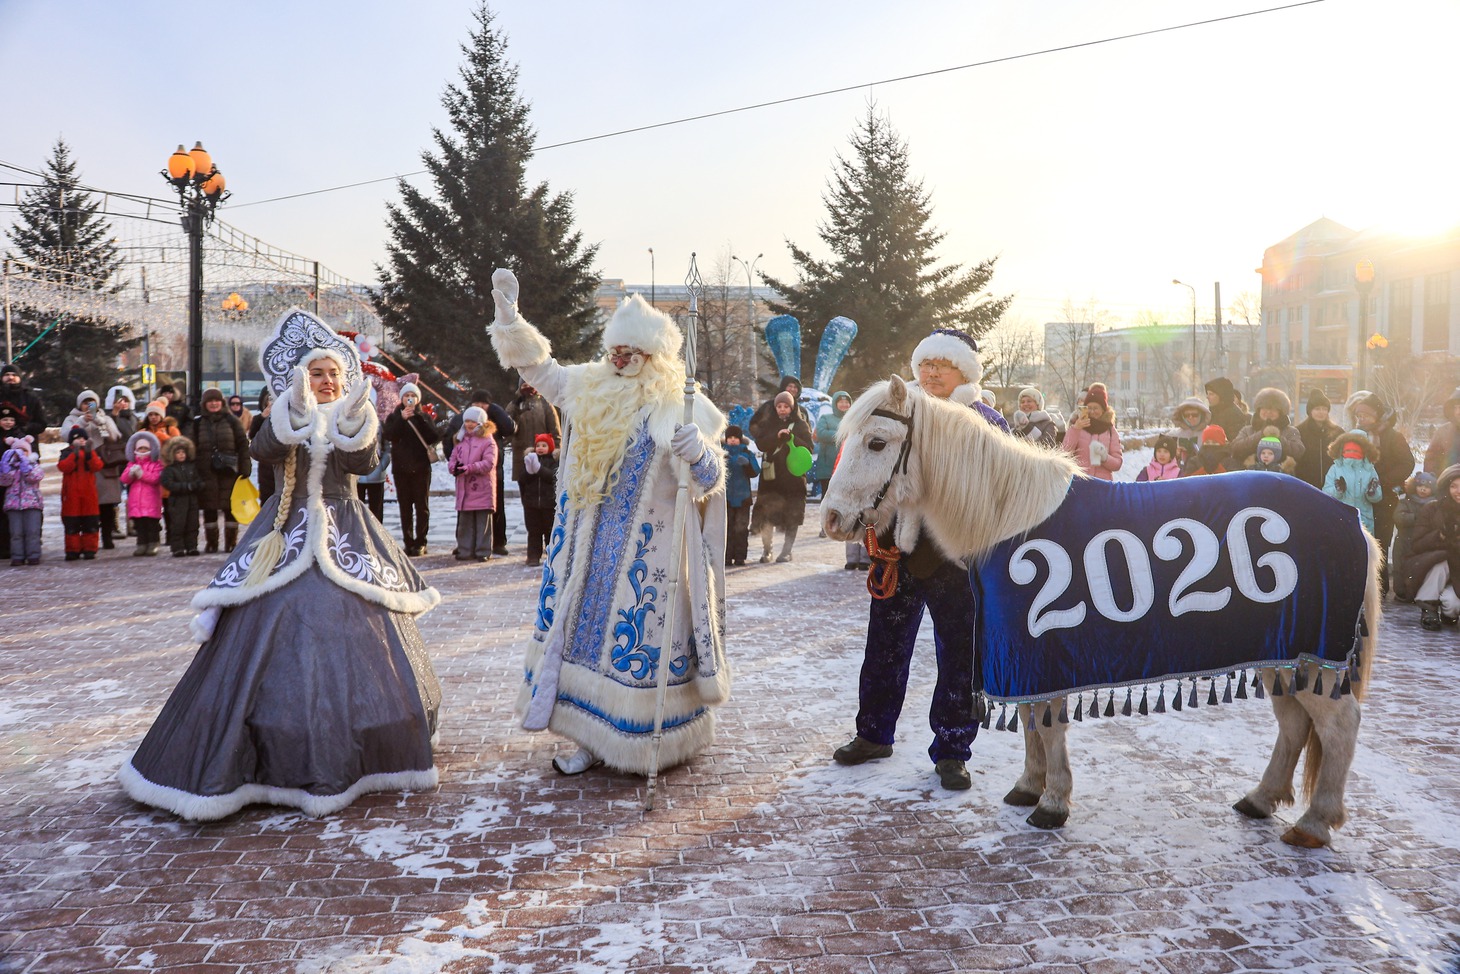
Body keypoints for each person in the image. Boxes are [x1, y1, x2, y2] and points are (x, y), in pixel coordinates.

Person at [118, 308, 442, 820]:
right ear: (299, 376)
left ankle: (360, 742)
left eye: (335, 372)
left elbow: (363, 463)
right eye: (318, 372)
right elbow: (264, 449)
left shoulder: (354, 414)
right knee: (276, 617)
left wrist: (356, 421)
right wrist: (292, 410)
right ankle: (268, 746)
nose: (328, 380)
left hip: (346, 534)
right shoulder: (283, 414)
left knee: (355, 621)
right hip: (284, 533)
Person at [487, 268, 729, 777]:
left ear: (653, 357)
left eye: (632, 354)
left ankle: (648, 743)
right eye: (615, 351)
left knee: (635, 646)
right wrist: (509, 320)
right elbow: (543, 371)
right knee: (579, 644)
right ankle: (588, 740)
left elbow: (706, 482)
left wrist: (699, 451)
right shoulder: (587, 386)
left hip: (647, 558)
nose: (620, 361)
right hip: (584, 550)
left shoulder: (677, 404)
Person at [833, 327, 1007, 792]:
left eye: (942, 365)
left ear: (963, 372)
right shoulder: (894, 407)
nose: (931, 373)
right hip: (895, 553)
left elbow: (999, 491)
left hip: (955, 559)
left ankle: (952, 750)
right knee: (884, 648)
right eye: (926, 364)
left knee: (959, 657)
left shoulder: (984, 420)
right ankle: (873, 733)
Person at [1345, 390, 1415, 593]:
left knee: (1380, 542)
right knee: (1359, 539)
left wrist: (1381, 481)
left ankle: (1379, 585)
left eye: (1365, 415)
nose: (1361, 419)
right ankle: (1358, 582)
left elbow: (1406, 463)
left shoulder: (1393, 437)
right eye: (1359, 415)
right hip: (1358, 498)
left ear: (1376, 415)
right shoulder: (1357, 436)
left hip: (1384, 499)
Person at [444, 389, 516, 555]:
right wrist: (454, 464)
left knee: (494, 508)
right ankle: (465, 545)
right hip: (464, 475)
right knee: (465, 511)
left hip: (491, 473)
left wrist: (495, 409)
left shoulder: (493, 419)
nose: (480, 406)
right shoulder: (463, 420)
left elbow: (509, 428)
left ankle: (497, 542)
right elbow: (450, 441)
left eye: (484, 403)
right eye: (477, 403)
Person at [749, 390, 813, 562]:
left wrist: (792, 438)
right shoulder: (768, 424)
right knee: (767, 515)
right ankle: (766, 550)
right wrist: (776, 437)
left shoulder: (800, 425)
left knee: (792, 514)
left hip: (793, 478)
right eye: (779, 406)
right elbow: (761, 444)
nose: (782, 409)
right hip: (772, 479)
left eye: (786, 406)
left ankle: (787, 550)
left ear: (792, 407)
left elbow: (809, 448)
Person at [382, 382, 440, 556]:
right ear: (401, 398)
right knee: (405, 507)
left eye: (413, 396)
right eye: (407, 396)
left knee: (422, 506)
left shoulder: (424, 417)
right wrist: (402, 419)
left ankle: (421, 542)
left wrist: (420, 417)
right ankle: (408, 542)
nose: (409, 399)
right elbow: (390, 435)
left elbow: (433, 436)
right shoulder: (394, 417)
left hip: (421, 468)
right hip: (401, 469)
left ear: (417, 399)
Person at [192, 388, 252, 554]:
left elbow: (243, 446)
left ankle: (231, 543)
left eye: (216, 400)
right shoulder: (197, 424)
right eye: (210, 401)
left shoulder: (232, 422)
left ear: (222, 402)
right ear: (204, 404)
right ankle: (211, 543)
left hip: (229, 473)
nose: (213, 403)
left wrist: (245, 468)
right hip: (206, 472)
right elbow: (192, 448)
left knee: (230, 508)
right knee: (209, 508)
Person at [1403, 463, 1460, 631]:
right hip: (1432, 564)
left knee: (1452, 605)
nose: (1458, 491)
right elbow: (1417, 544)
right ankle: (1428, 607)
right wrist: (1440, 536)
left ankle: (1449, 614)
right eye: (1454, 486)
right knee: (1441, 562)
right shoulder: (1432, 509)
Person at [508, 379, 561, 532]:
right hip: (522, 461)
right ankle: (533, 538)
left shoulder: (545, 404)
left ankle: (549, 537)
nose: (527, 387)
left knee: (548, 502)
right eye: (523, 384)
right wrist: (516, 410)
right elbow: (508, 429)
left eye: (530, 383)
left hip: (546, 462)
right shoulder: (514, 405)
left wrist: (556, 454)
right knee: (528, 502)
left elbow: (556, 433)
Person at [449, 405, 497, 562]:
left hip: (482, 488)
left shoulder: (488, 441)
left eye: (473, 421)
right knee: (465, 522)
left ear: (481, 423)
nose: (469, 424)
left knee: (483, 522)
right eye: (467, 421)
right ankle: (465, 550)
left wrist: (469, 468)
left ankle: (483, 550)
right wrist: (453, 468)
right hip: (464, 488)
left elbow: (489, 463)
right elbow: (453, 458)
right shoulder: (460, 439)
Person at [1229, 388, 1304, 472]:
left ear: (1281, 412)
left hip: (1281, 477)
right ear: (1259, 410)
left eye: (1273, 409)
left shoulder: (1291, 431)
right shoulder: (1247, 430)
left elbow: (1299, 451)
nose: (1268, 412)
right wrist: (1260, 435)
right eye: (1264, 408)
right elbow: (1235, 449)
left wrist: (1277, 437)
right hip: (1251, 477)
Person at [58, 426, 104, 560]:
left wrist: (89, 453)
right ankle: (72, 550)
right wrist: (75, 454)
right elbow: (64, 467)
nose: (81, 441)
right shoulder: (67, 453)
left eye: (83, 438)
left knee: (90, 523)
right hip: (71, 495)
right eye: (78, 438)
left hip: (89, 495)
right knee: (72, 524)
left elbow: (97, 466)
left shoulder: (90, 452)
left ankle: (90, 549)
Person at [1323, 429, 1382, 533]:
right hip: (1340, 516)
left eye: (1356, 451)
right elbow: (1325, 493)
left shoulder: (1369, 470)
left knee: (1363, 546)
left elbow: (1378, 497)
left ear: (1363, 452)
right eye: (1348, 450)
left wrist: (1372, 493)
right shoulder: (1336, 469)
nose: (1351, 454)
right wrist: (1337, 490)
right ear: (1342, 451)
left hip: (1363, 519)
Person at [1062, 382, 1123, 480]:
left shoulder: (1110, 431)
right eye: (1089, 408)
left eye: (1096, 408)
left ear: (1103, 410)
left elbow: (1117, 464)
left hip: (1103, 486)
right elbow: (1065, 453)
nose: (1092, 411)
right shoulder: (1077, 426)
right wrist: (1075, 429)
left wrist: (1104, 457)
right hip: (1080, 483)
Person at [1393, 471, 1436, 603]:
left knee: (1420, 567)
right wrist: (1417, 518)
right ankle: (1401, 591)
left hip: (1423, 542)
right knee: (1400, 566)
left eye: (1427, 487)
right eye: (1420, 486)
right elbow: (1398, 517)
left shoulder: (1434, 505)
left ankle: (1417, 592)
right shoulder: (1406, 501)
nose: (1423, 489)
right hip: (1404, 540)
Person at [0, 434, 43, 565]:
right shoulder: (10, 466)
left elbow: (36, 477)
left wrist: (26, 468)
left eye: (24, 450)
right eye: (18, 450)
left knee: (32, 531)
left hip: (32, 503)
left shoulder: (33, 465)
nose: (21, 453)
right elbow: (4, 482)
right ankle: (17, 556)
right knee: (16, 533)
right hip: (13, 504)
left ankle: (33, 555)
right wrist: (5, 469)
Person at [120, 431, 164, 556]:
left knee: (151, 525)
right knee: (140, 525)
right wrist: (131, 474)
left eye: (145, 448)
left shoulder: (156, 464)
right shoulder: (132, 463)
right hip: (136, 502)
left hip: (151, 501)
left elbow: (156, 478)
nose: (143, 450)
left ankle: (153, 543)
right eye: (140, 448)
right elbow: (124, 479)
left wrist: (142, 475)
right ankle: (141, 544)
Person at [519, 433, 559, 568]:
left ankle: (552, 556)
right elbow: (522, 480)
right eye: (538, 445)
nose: (540, 448)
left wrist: (539, 469)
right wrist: (529, 471)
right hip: (532, 504)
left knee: (550, 531)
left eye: (544, 445)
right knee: (534, 531)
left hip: (549, 504)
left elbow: (553, 477)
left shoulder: (554, 462)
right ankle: (533, 556)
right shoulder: (529, 460)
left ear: (550, 447)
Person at [722, 425, 759, 567]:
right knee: (727, 528)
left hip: (743, 498)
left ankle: (740, 557)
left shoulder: (747, 453)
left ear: (740, 439)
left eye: (735, 438)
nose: (732, 441)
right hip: (726, 498)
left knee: (741, 529)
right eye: (729, 438)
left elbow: (755, 471)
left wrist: (747, 464)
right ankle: (726, 557)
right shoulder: (721, 453)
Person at [161, 436, 202, 556]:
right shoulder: (170, 469)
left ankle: (192, 546)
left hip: (192, 500)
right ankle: (177, 548)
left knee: (193, 524)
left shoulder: (191, 467)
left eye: (183, 452)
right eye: (178, 452)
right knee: (178, 525)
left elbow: (198, 481)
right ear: (172, 454)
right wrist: (186, 487)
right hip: (177, 501)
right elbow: (168, 483)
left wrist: (196, 486)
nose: (181, 455)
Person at [1295, 388, 1343, 489]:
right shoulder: (1299, 431)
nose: (1321, 412)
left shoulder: (1337, 432)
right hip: (1306, 484)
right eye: (1317, 409)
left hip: (1332, 485)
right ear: (1310, 411)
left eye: (1324, 409)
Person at [813, 391, 851, 503]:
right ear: (835, 404)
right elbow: (821, 434)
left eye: (846, 402)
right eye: (841, 402)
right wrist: (842, 434)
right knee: (827, 499)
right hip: (827, 467)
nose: (844, 404)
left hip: (847, 466)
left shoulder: (853, 420)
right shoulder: (826, 418)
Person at [0, 364, 47, 440]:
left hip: (25, 444)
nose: (10, 377)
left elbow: (41, 424)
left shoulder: (31, 397)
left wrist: (25, 428)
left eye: (14, 375)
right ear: (1, 377)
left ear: (20, 377)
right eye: (7, 374)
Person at [248, 388, 277, 504]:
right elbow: (253, 436)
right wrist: (262, 417)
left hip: (287, 466)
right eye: (269, 400)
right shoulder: (258, 419)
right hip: (267, 467)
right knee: (267, 499)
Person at [1423, 387, 1460, 475]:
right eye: (1456, 408)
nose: (1458, 412)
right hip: (1447, 485)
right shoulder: (1442, 432)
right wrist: (1436, 482)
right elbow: (1431, 460)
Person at [1169, 396, 1211, 470]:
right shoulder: (1173, 435)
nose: (1190, 418)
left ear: (1202, 415)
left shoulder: (1211, 433)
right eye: (1186, 415)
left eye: (1195, 415)